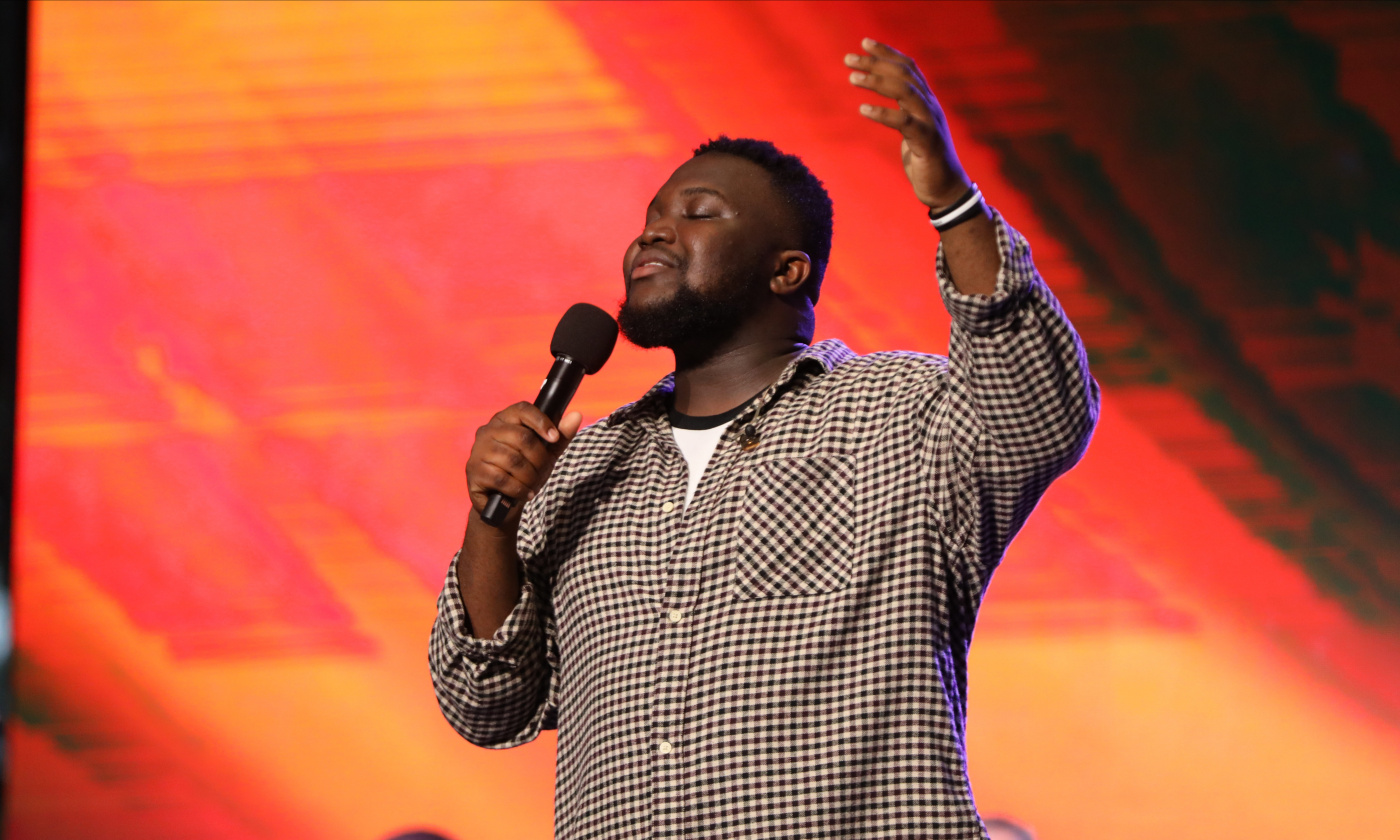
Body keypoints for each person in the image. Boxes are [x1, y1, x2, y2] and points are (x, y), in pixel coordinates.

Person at [429, 39, 1098, 839]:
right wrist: (493, 522)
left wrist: (953, 202)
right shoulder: (580, 471)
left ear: (787, 272)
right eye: (650, 219)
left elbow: (1039, 409)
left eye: (699, 214)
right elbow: (486, 704)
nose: (653, 235)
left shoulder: (897, 414)